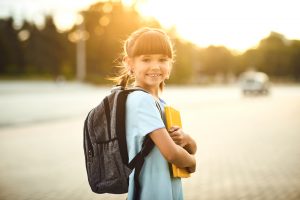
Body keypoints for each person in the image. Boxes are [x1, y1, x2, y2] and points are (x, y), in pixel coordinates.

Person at [110, 27, 197, 200]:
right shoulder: (142, 101)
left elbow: (190, 148)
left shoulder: (160, 103)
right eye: (146, 59)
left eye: (162, 59)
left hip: (165, 187)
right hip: (152, 191)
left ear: (171, 63)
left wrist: (186, 138)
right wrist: (193, 163)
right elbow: (172, 153)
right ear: (130, 63)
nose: (155, 66)